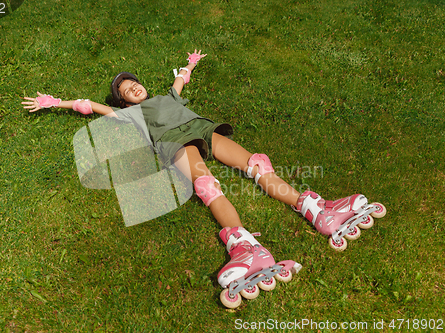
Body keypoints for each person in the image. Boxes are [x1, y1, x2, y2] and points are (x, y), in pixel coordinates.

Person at [22, 49, 385, 308]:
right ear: (123, 102)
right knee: (207, 187)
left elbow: (180, 81)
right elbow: (90, 106)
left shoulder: (167, 95)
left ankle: (316, 209)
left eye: (133, 83)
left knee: (258, 166)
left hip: (203, 130)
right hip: (176, 145)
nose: (132, 87)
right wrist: (57, 103)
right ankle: (245, 248)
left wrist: (189, 65)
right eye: (125, 90)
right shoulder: (130, 116)